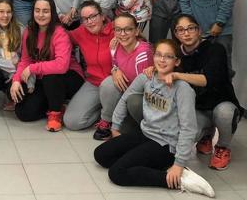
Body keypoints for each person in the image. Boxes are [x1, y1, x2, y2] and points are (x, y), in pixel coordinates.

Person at [93, 40, 215, 198]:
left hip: (166, 144)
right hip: (145, 134)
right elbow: (125, 99)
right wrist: (115, 127)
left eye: (168, 56)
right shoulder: (146, 77)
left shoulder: (183, 89)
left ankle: (178, 180)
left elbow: (188, 128)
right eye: (158, 55)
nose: (162, 60)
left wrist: (179, 164)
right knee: (101, 155)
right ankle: (156, 165)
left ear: (176, 61)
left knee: (117, 173)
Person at [171, 14, 243, 170]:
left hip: (221, 104)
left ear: (199, 30)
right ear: (176, 34)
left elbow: (209, 79)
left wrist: (177, 75)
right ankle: (206, 135)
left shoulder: (215, 49)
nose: (186, 33)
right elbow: (162, 67)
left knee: (225, 113)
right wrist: (152, 69)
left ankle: (223, 147)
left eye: (191, 28)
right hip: (198, 109)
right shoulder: (176, 55)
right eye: (181, 30)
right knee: (188, 134)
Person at [10, 0, 84, 131]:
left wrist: (33, 68)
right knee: (23, 113)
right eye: (37, 10)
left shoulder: (59, 32)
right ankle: (57, 103)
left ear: (52, 13)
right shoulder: (29, 31)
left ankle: (55, 115)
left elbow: (61, 66)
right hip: (44, 79)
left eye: (45, 11)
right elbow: (25, 60)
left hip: (69, 78)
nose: (41, 14)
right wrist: (16, 80)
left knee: (51, 75)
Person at [94, 13, 153, 140]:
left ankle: (143, 126)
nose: (122, 34)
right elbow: (115, 64)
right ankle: (106, 120)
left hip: (140, 97)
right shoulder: (115, 46)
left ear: (136, 31)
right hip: (126, 90)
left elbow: (142, 89)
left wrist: (118, 119)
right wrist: (115, 70)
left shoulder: (143, 52)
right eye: (118, 29)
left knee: (125, 132)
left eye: (128, 29)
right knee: (108, 83)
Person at [64, 0, 114, 131]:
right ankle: (104, 111)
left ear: (102, 16)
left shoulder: (116, 30)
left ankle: (108, 118)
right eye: (85, 19)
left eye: (93, 16)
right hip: (94, 83)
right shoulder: (81, 32)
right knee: (71, 122)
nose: (90, 22)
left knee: (109, 85)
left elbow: (139, 43)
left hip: (116, 83)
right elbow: (63, 37)